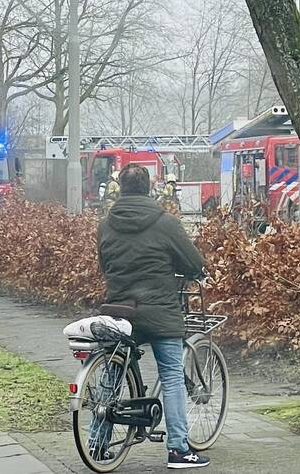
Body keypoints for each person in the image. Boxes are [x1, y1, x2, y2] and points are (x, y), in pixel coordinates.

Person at [96, 163, 211, 470]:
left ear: (120, 187)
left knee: (111, 373)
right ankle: (178, 450)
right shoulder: (165, 222)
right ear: (148, 188)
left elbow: (104, 266)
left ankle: (97, 443)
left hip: (120, 311)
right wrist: (196, 272)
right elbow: (193, 261)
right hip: (160, 312)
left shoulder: (105, 224)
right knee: (172, 375)